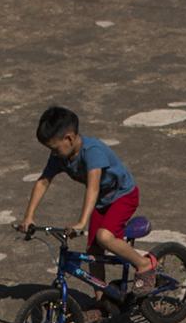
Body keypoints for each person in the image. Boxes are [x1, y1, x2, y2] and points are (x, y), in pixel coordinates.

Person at [15, 105, 159, 295]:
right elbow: (43, 182)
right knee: (93, 254)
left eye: (55, 148)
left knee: (104, 237)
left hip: (123, 195)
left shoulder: (92, 151)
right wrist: (29, 216)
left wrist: (82, 222)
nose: (53, 153)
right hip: (102, 201)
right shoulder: (59, 157)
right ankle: (101, 302)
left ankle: (144, 265)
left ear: (69, 138)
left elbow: (93, 186)